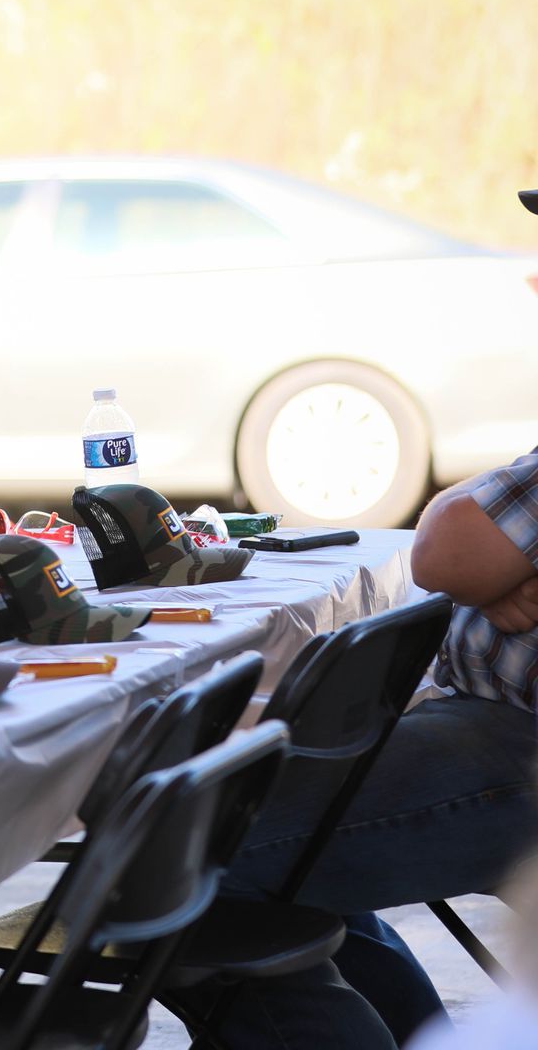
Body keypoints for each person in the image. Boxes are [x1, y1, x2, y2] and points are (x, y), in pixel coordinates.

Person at [183, 188, 538, 1049]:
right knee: (246, 847)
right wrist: (484, 564)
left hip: (514, 748)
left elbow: (445, 548)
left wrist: (480, 563)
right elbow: (464, 543)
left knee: (178, 864)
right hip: (492, 727)